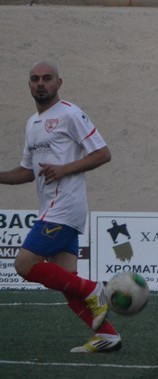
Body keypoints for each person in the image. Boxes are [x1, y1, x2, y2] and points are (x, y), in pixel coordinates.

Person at [0, 62, 119, 353]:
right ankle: (107, 336)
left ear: (59, 82)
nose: (40, 83)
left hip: (64, 208)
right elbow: (27, 172)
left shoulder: (70, 113)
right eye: (35, 79)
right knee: (66, 281)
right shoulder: (32, 123)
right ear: (29, 85)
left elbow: (103, 153)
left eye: (47, 78)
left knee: (24, 265)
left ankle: (94, 289)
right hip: (52, 210)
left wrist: (65, 169)